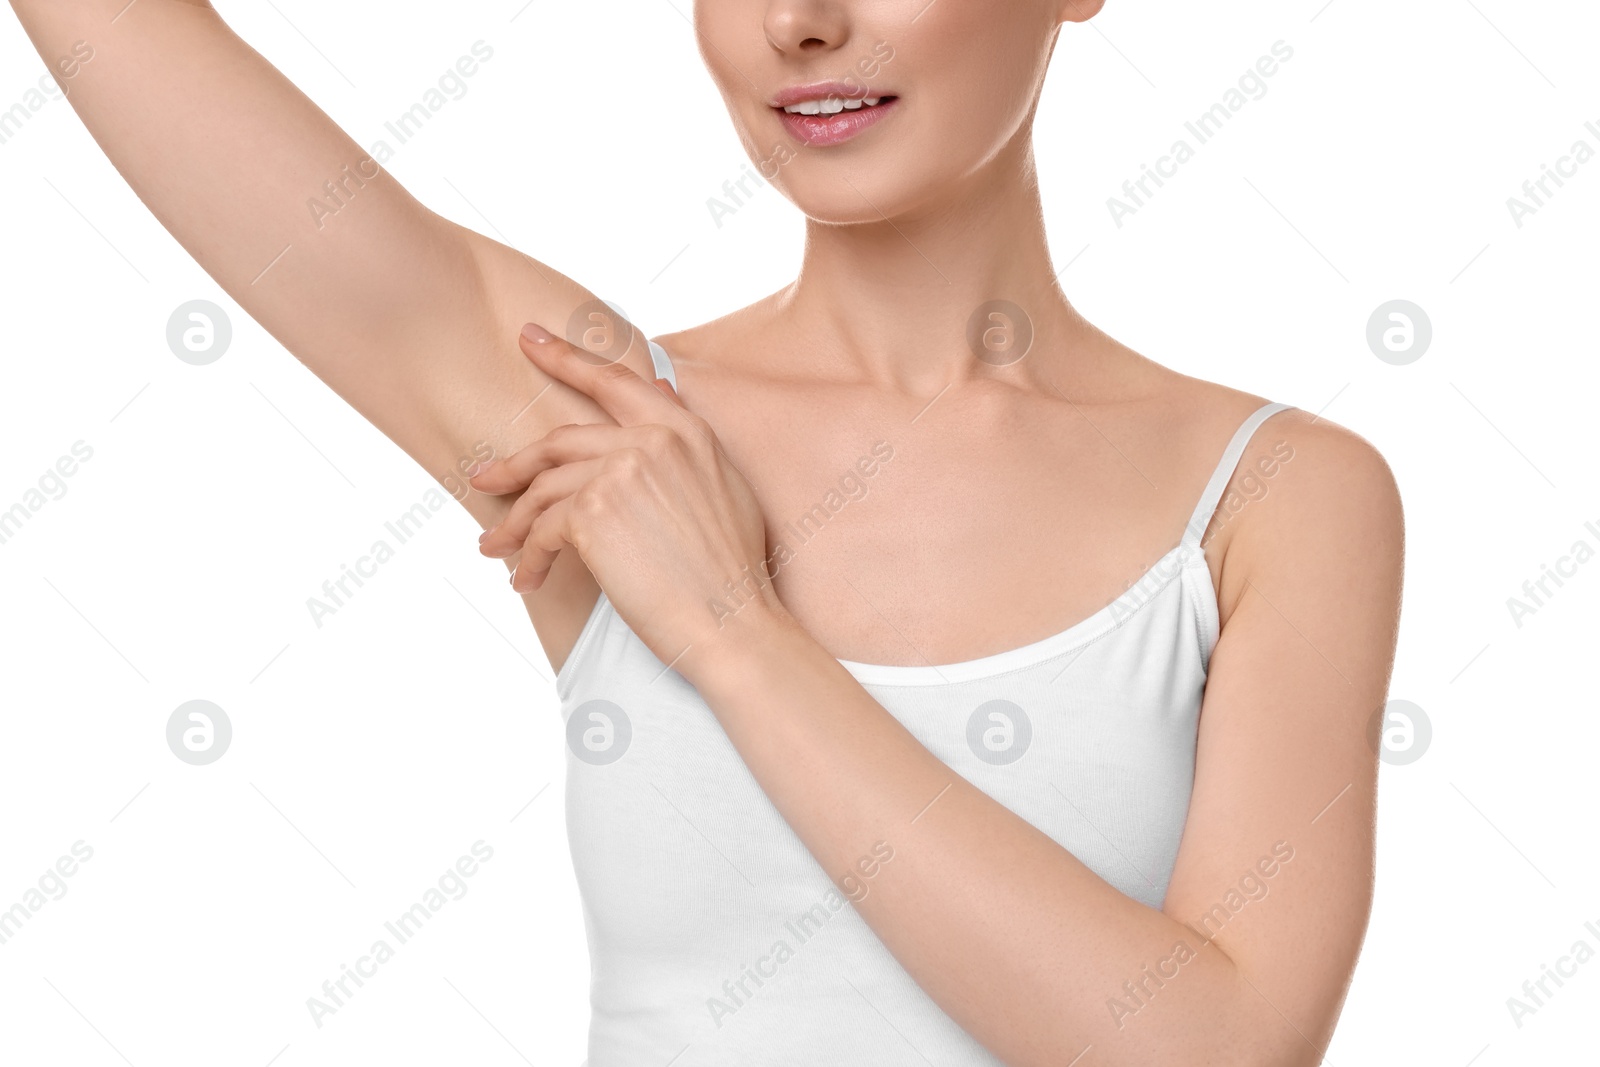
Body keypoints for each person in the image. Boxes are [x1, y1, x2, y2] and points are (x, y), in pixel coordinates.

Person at [6, 1, 1403, 1063]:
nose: (799, 23)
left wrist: (736, 633)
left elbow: (1213, 1048)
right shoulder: (600, 417)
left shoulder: (1279, 496)